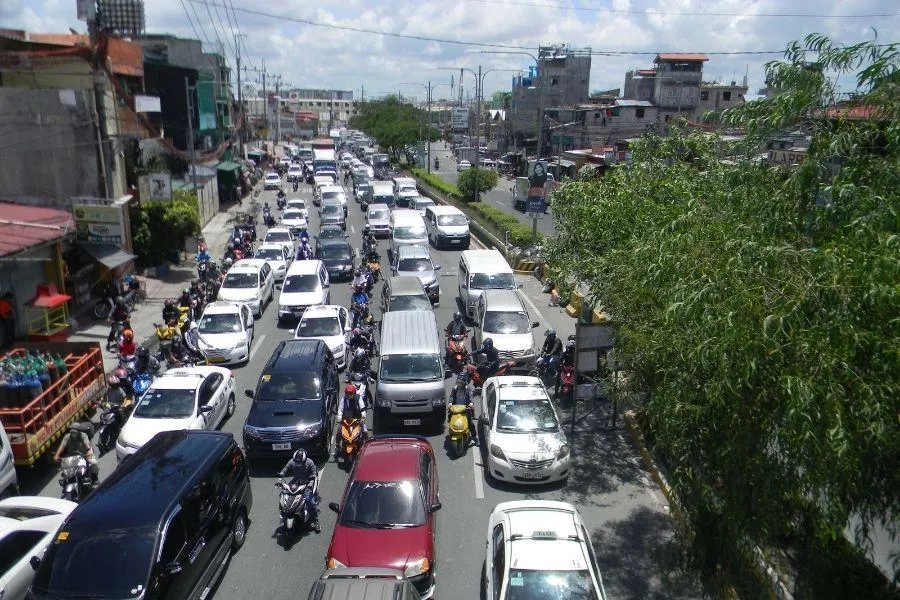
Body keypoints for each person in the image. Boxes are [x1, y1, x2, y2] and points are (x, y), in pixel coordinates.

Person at [277, 449, 320, 533]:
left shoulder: (310, 463)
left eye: (300, 462)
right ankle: (283, 513)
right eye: (296, 462)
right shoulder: (292, 461)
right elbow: (286, 468)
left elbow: (313, 475)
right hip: (296, 482)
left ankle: (316, 521)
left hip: (308, 482)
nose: (297, 464)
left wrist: (310, 485)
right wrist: (281, 475)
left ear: (304, 460)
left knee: (310, 502)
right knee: (283, 494)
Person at [335, 383, 368, 450]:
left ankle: (367, 445)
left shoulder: (358, 398)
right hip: (346, 419)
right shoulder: (344, 399)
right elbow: (340, 409)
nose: (349, 395)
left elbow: (362, 408)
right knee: (339, 431)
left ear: (354, 393)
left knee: (364, 430)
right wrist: (339, 418)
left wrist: (363, 417)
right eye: (348, 393)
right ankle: (337, 446)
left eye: (351, 393)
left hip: (357, 419)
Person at [448, 375, 477, 445]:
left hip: (465, 409)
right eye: (458, 382)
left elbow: (470, 397)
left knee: (470, 423)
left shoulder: (467, 388)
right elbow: (451, 396)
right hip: (455, 409)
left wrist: (471, 403)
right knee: (450, 419)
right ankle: (452, 432)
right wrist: (450, 403)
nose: (459, 384)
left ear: (464, 383)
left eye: (461, 382)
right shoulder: (454, 388)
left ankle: (475, 438)